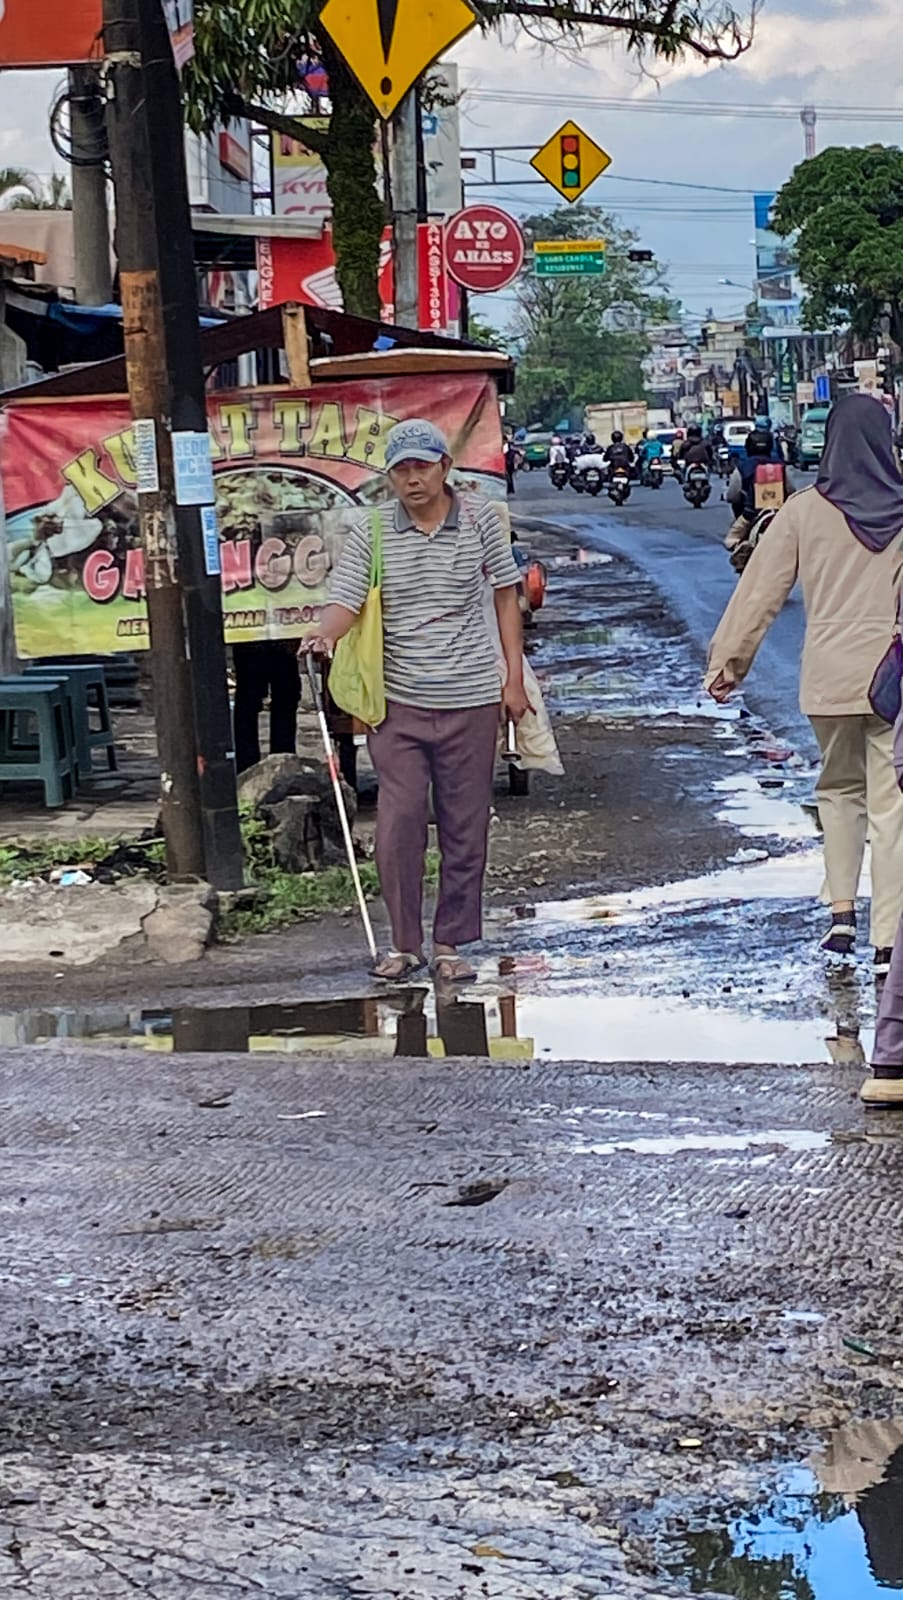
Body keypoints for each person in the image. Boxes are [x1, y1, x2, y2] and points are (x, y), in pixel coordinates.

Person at [301, 418, 528, 984]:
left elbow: (506, 597)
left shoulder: (480, 520)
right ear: (390, 477)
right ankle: (404, 944)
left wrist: (513, 680)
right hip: (396, 702)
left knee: (464, 824)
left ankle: (450, 942)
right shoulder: (374, 530)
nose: (412, 479)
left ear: (444, 467)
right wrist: (323, 634)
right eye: (401, 470)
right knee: (398, 821)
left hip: (472, 696)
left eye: (422, 467)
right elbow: (347, 597)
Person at [707, 392, 903, 972]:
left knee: (838, 793)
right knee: (892, 806)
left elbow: (759, 593)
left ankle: (841, 916)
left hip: (827, 679)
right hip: (892, 681)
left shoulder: (803, 511)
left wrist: (728, 664)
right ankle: (888, 940)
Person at [233, 640, 301, 773]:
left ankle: (282, 761)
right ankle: (248, 767)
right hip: (252, 642)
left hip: (279, 641)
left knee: (285, 699)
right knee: (249, 702)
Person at [724, 426, 789, 551]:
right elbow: (792, 491)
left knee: (731, 541)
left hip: (750, 515)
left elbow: (733, 496)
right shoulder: (781, 467)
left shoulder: (742, 468)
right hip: (781, 515)